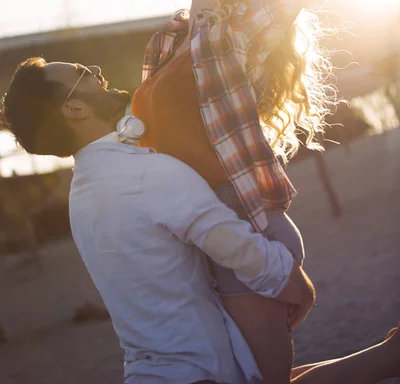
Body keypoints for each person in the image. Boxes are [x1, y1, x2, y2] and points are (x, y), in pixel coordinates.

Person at [1, 58, 399, 384]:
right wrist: (300, 287)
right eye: (84, 73)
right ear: (74, 109)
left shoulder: (83, 192)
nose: (97, 71)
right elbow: (237, 245)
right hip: (198, 369)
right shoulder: (144, 174)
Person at [132, 0, 337, 381]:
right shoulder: (169, 45)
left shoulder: (235, 32)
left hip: (245, 225)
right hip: (203, 230)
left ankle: (387, 360)